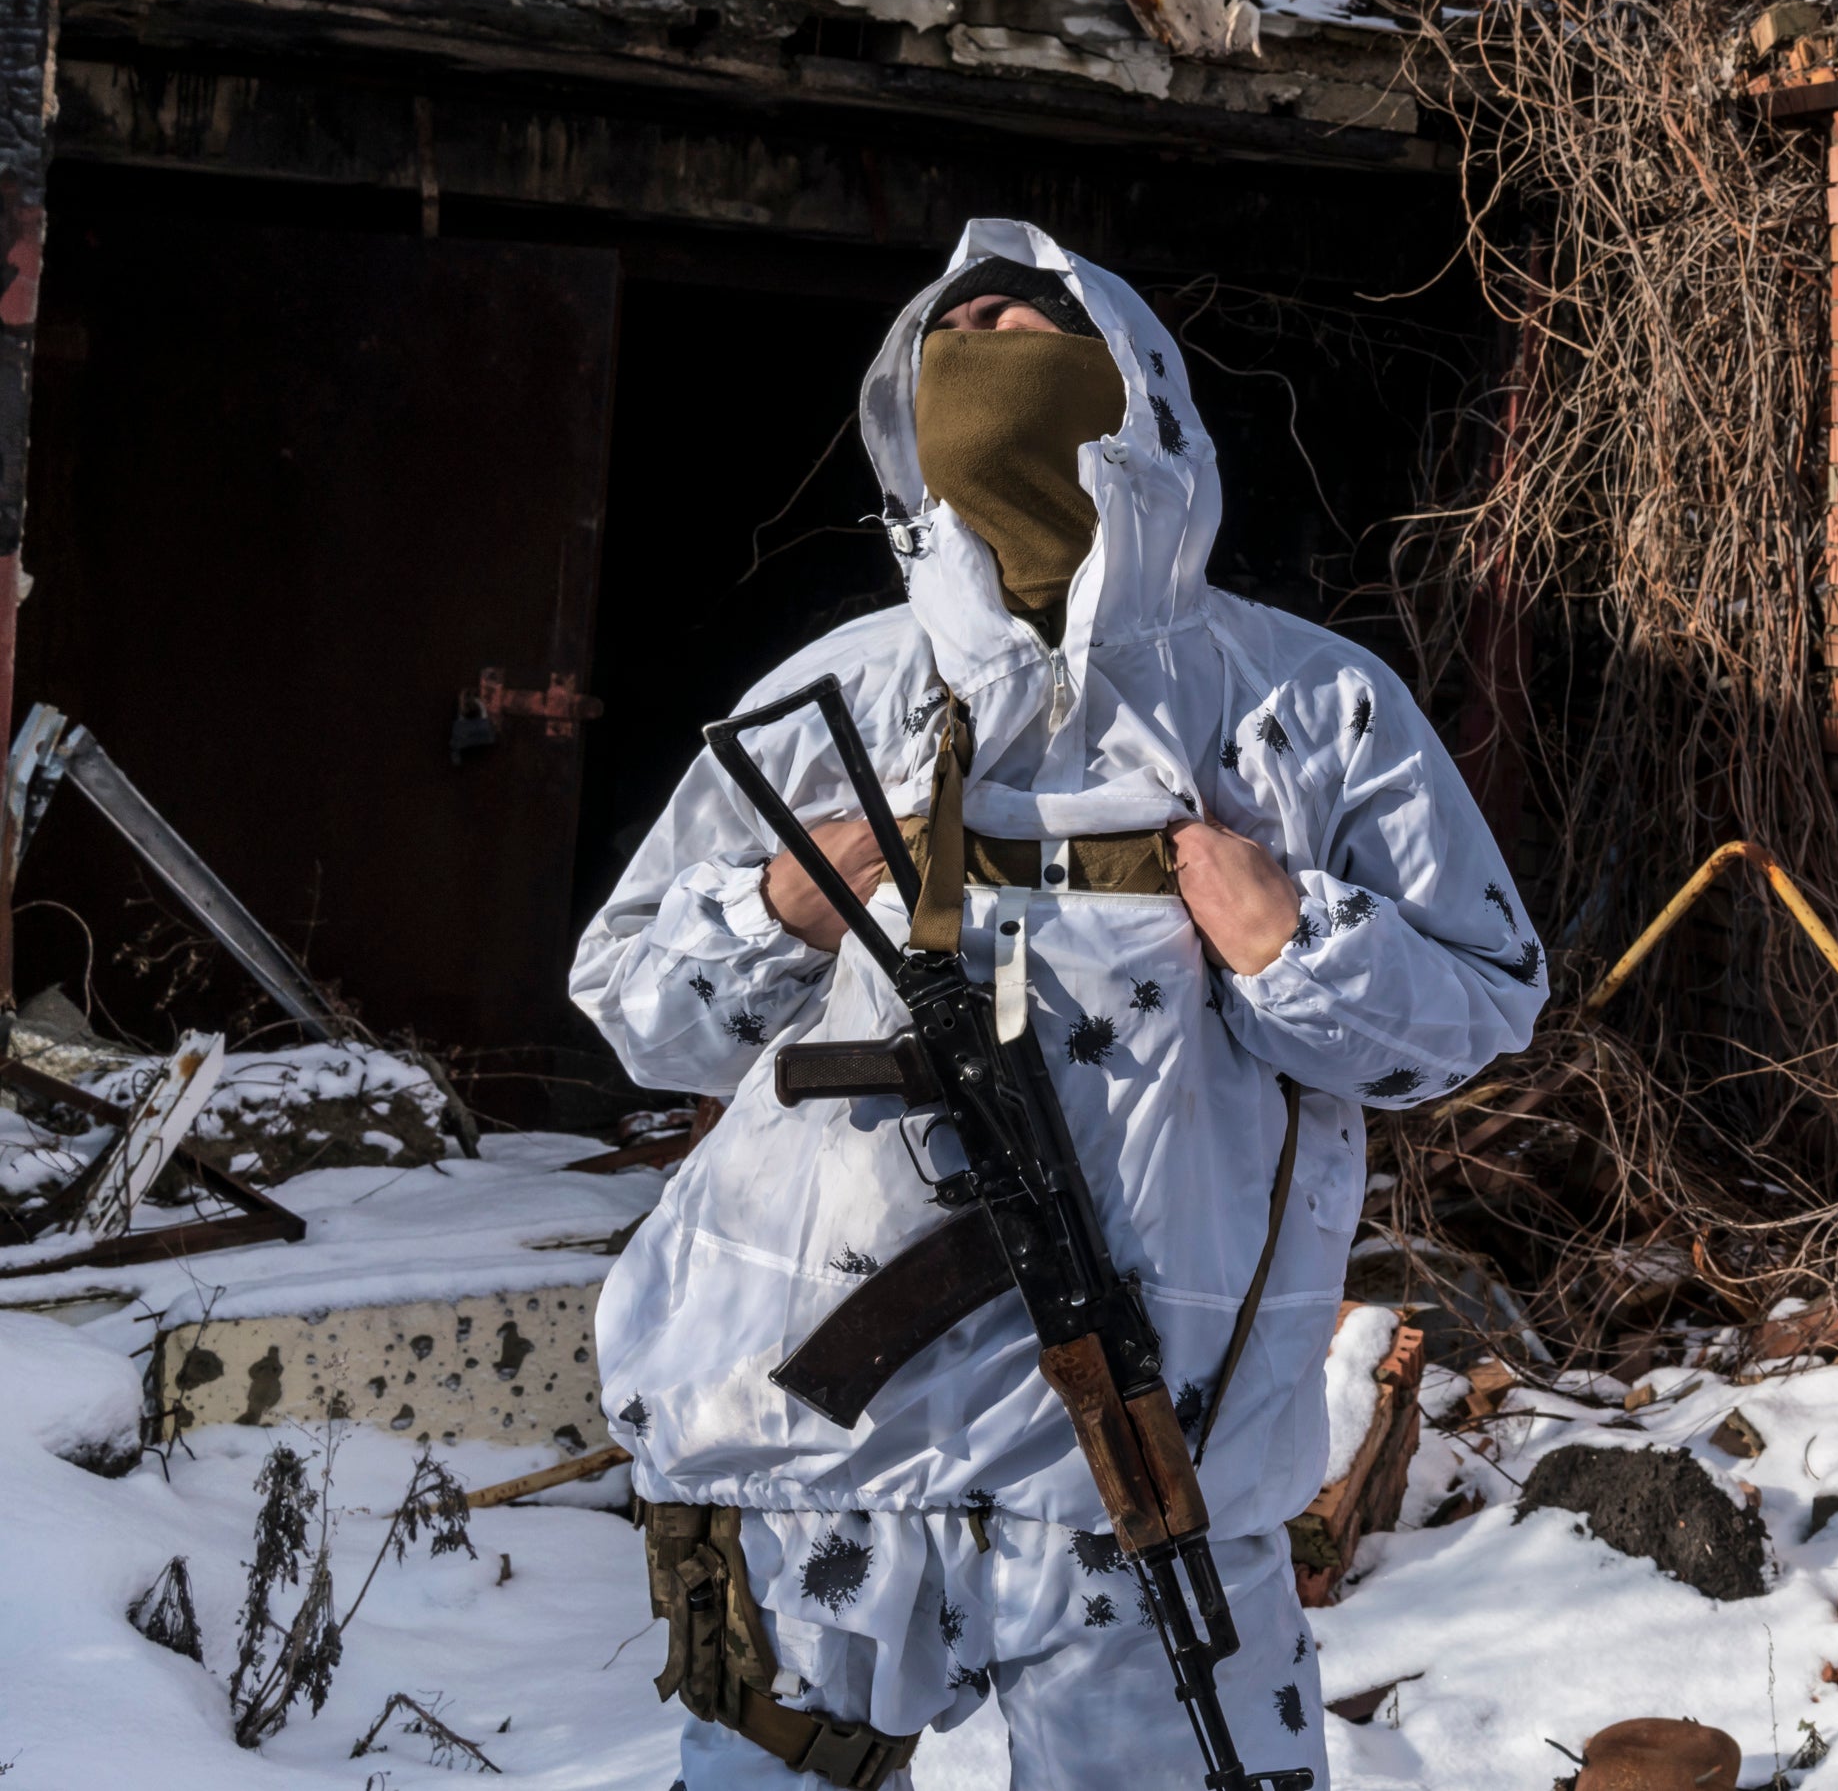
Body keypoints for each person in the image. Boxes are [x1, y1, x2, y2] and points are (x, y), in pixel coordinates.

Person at [572, 222, 1542, 1789]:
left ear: (1132, 397)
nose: (984, 320)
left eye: (1028, 317)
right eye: (956, 326)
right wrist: (776, 906)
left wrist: (1295, 943)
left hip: (1152, 1464)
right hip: (833, 1456)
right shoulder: (845, 695)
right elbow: (632, 1008)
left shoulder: (1303, 705)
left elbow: (1484, 1006)